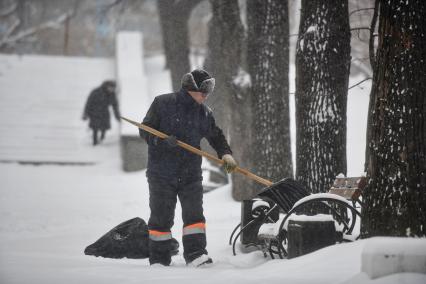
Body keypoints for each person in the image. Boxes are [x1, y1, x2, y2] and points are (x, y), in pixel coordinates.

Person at [139, 69, 238, 267]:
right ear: (190, 88)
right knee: (161, 218)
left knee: (194, 218)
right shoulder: (163, 103)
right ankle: (159, 259)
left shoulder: (203, 113)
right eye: (203, 90)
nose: (205, 95)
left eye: (208, 91)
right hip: (161, 174)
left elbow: (216, 136)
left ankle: (196, 254)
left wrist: (225, 154)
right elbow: (145, 130)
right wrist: (161, 140)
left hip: (190, 175)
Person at [83, 80, 120, 145]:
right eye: (111, 88)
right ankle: (95, 141)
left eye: (113, 88)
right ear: (107, 86)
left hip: (104, 112)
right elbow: (88, 103)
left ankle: (102, 137)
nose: (112, 90)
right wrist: (85, 113)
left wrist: (117, 116)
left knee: (104, 126)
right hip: (94, 111)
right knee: (95, 127)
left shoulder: (112, 94)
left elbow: (115, 106)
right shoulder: (96, 92)